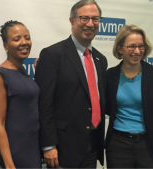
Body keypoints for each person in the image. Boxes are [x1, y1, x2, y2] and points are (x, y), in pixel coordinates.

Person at [35, 0, 107, 168]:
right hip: (63, 148)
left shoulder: (100, 60)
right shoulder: (52, 55)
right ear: (72, 21)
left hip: (92, 145)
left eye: (95, 19)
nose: (90, 23)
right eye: (84, 18)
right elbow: (44, 104)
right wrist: (49, 145)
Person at [105, 24, 153, 169]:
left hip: (150, 146)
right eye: (131, 46)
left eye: (141, 46)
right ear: (120, 48)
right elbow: (107, 108)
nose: (137, 51)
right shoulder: (110, 76)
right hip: (118, 146)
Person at [0, 20, 41, 169]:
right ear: (5, 46)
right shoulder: (0, 76)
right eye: (16, 39)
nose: (24, 42)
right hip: (15, 153)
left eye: (27, 37)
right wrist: (9, 163)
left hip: (32, 148)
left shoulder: (23, 73)